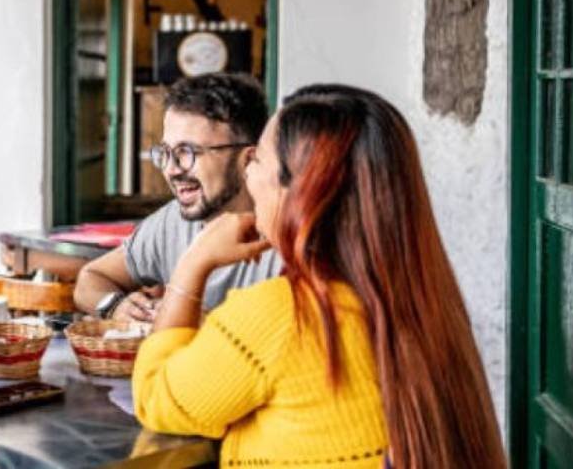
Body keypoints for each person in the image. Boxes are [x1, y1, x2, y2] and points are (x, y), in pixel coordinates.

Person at [132, 84, 507, 468]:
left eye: (257, 160)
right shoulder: (424, 302)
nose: (248, 175)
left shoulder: (281, 314)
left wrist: (191, 266)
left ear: (301, 190)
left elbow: (155, 399)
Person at [73, 73, 278, 321]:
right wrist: (115, 306)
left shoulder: (285, 241)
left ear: (247, 160)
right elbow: (90, 279)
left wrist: (188, 319)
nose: (171, 169)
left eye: (187, 152)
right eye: (166, 152)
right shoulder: (171, 223)